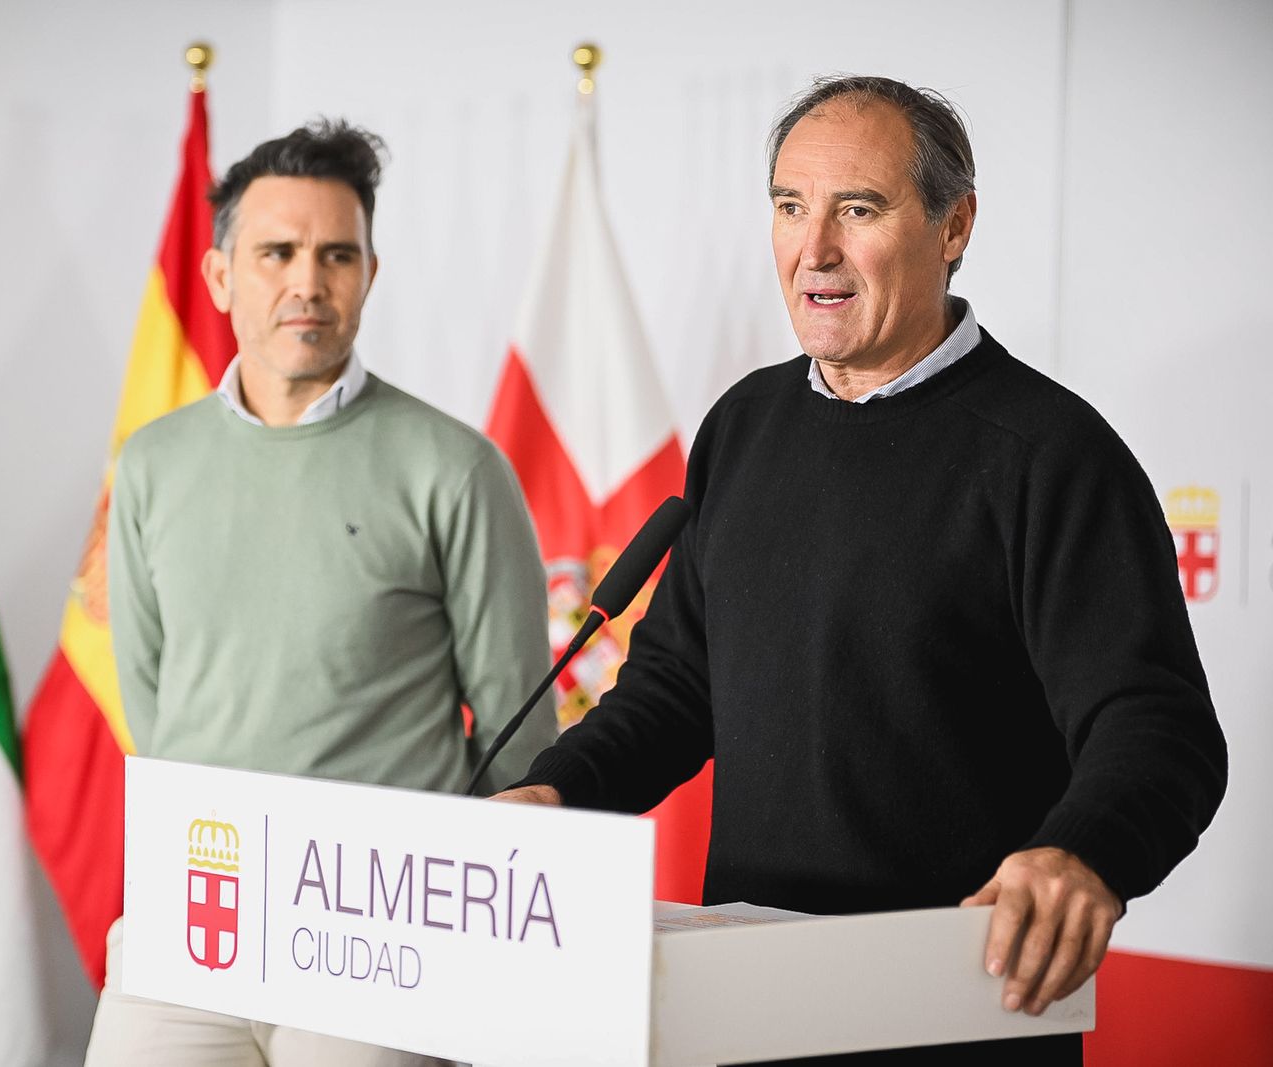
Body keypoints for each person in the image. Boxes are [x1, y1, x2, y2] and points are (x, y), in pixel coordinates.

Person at [495, 75, 1228, 1066]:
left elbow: (1157, 724)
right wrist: (557, 794)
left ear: (953, 223)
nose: (815, 248)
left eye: (859, 208)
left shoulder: (1048, 452)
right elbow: (678, 685)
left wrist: (1084, 850)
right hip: (739, 1003)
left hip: (952, 1010)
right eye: (790, 206)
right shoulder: (742, 426)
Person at [86, 119, 554, 1067]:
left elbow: (518, 738)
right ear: (220, 276)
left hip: (381, 934)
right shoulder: (152, 464)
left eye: (337, 254)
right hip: (193, 908)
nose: (308, 280)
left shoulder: (455, 467)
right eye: (277, 252)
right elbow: (152, 701)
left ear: (369, 274)